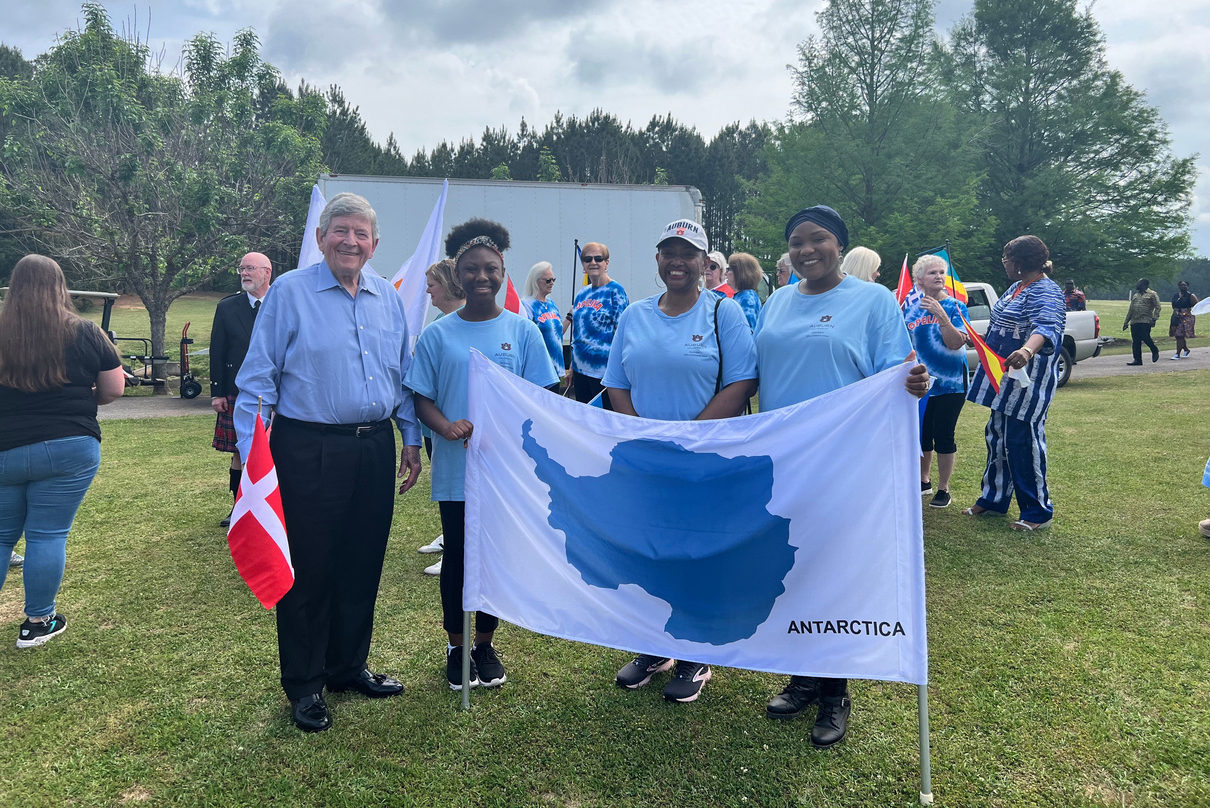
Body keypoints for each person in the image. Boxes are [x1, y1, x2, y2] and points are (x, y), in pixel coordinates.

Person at [234, 193, 423, 733]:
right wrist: (252, 461)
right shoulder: (290, 293)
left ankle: (346, 667)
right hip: (307, 447)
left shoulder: (389, 298)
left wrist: (410, 438)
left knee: (362, 562)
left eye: (361, 234)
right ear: (321, 238)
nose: (350, 241)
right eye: (340, 230)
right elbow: (257, 382)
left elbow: (401, 375)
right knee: (310, 569)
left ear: (375, 244)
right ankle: (305, 683)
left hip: (374, 446)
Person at [754, 206, 930, 748]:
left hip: (844, 462)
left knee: (834, 572)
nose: (807, 250)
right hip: (784, 461)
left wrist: (914, 382)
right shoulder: (777, 301)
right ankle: (804, 678)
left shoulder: (873, 301)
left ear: (840, 245)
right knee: (794, 567)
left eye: (819, 239)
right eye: (796, 242)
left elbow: (896, 372)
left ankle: (835, 693)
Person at [604, 219, 758, 704]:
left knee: (697, 553)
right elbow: (616, 383)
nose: (677, 261)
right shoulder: (634, 315)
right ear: (657, 259)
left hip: (704, 459)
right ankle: (655, 647)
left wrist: (688, 440)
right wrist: (644, 438)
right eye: (668, 252)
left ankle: (695, 654)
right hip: (648, 461)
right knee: (651, 550)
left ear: (704, 262)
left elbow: (743, 381)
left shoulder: (723, 313)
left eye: (688, 254)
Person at [405, 218, 559, 692]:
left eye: (490, 269)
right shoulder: (438, 334)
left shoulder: (522, 330)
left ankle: (484, 644)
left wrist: (513, 429)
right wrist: (445, 427)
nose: (481, 277)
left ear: (503, 272)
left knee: (493, 556)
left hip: (504, 469)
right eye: (471, 269)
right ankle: (456, 647)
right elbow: (421, 397)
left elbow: (542, 396)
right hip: (457, 465)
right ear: (458, 275)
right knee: (458, 555)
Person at [0, 255, 125, 648]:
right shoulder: (86, 331)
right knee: (47, 535)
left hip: (5, 447)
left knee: (1, 537)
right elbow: (113, 389)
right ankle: (38, 622)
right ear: (60, 286)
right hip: (69, 445)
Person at [963, 235, 1065, 531]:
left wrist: (1026, 351)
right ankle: (994, 499)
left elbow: (1046, 327)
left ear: (1019, 263)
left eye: (1005, 259)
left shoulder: (1046, 291)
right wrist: (980, 340)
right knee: (997, 438)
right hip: (1002, 380)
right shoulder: (1017, 287)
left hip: (1026, 383)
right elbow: (1003, 325)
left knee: (1022, 442)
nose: (1004, 264)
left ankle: (1037, 512)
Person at [210, 252, 272, 528]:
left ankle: (272, 504)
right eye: (242, 269)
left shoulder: (281, 302)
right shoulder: (227, 307)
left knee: (276, 448)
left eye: (250, 268)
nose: (244, 273)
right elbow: (218, 351)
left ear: (267, 272)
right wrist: (217, 392)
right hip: (239, 391)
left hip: (276, 390)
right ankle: (239, 506)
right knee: (240, 450)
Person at [904, 254, 970, 509]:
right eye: (932, 273)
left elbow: (955, 343)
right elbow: (905, 346)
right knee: (922, 434)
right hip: (922, 383)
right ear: (919, 279)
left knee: (944, 434)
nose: (939, 277)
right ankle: (924, 480)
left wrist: (942, 315)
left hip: (951, 382)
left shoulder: (956, 307)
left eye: (942, 272)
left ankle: (944, 489)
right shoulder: (910, 310)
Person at [417, 259, 466, 575]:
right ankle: (449, 538)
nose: (428, 291)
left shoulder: (466, 322)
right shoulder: (437, 323)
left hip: (460, 431)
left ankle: (455, 550)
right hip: (435, 426)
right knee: (448, 491)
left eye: (431, 285)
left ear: (447, 285)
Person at [569, 242, 628, 408]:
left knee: (605, 417)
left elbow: (622, 334)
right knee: (585, 417)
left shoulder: (615, 291)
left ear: (606, 263)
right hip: (580, 370)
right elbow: (578, 333)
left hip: (603, 372)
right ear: (583, 265)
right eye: (588, 259)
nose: (593, 262)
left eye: (598, 258)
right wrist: (572, 366)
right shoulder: (582, 293)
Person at [522, 261, 566, 378]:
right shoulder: (527, 305)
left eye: (553, 280)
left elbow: (557, 333)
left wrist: (569, 317)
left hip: (556, 368)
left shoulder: (551, 304)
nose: (552, 283)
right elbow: (526, 337)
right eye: (548, 280)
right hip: (540, 370)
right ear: (536, 281)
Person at [1123, 278, 1161, 365]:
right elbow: (1131, 310)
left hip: (1146, 320)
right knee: (1136, 341)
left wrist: (1154, 318)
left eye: (1138, 283)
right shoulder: (1135, 296)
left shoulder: (1152, 294)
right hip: (1135, 321)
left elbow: (1158, 307)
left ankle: (1154, 350)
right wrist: (1126, 322)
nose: (1137, 285)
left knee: (1145, 337)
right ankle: (1137, 360)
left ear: (1144, 284)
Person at [726, 252, 764, 330]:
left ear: (739, 273)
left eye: (729, 269)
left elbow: (748, 330)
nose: (725, 273)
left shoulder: (747, 298)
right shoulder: (741, 295)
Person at [1169, 280, 1199, 359]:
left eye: (1185, 285)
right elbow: (1173, 305)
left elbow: (1197, 306)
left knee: (1180, 334)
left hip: (1187, 317)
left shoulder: (1190, 296)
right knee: (1178, 334)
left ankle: (1177, 354)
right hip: (1177, 316)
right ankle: (1186, 349)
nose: (1183, 286)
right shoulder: (1176, 296)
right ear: (1179, 286)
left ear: (1187, 286)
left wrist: (1188, 312)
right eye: (1181, 285)